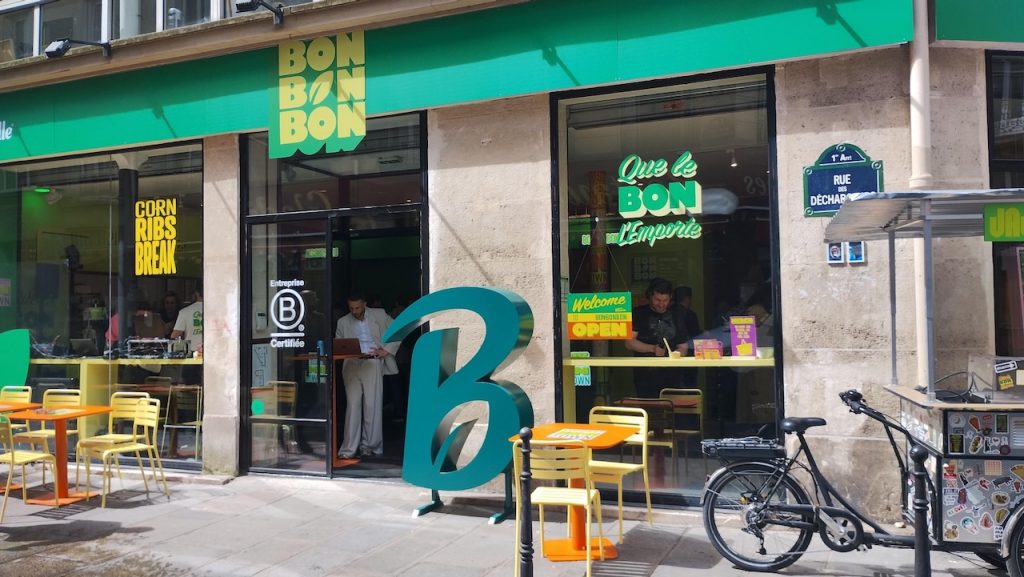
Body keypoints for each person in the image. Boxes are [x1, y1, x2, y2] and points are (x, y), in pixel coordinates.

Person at [335, 291, 399, 460]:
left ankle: (370, 446)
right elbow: (339, 343)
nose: (354, 311)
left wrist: (386, 350)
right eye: (351, 308)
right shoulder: (342, 321)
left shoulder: (379, 314)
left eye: (357, 307)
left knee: (373, 405)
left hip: (372, 361)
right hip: (351, 363)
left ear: (364, 304)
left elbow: (398, 329)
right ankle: (349, 449)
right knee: (352, 405)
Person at [625, 278, 687, 398]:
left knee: (672, 407)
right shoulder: (638, 313)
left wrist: (676, 354)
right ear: (650, 296)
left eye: (665, 300)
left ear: (670, 298)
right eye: (657, 300)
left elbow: (683, 346)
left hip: (672, 375)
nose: (661, 304)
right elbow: (629, 343)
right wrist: (652, 348)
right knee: (649, 407)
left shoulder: (676, 315)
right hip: (645, 375)